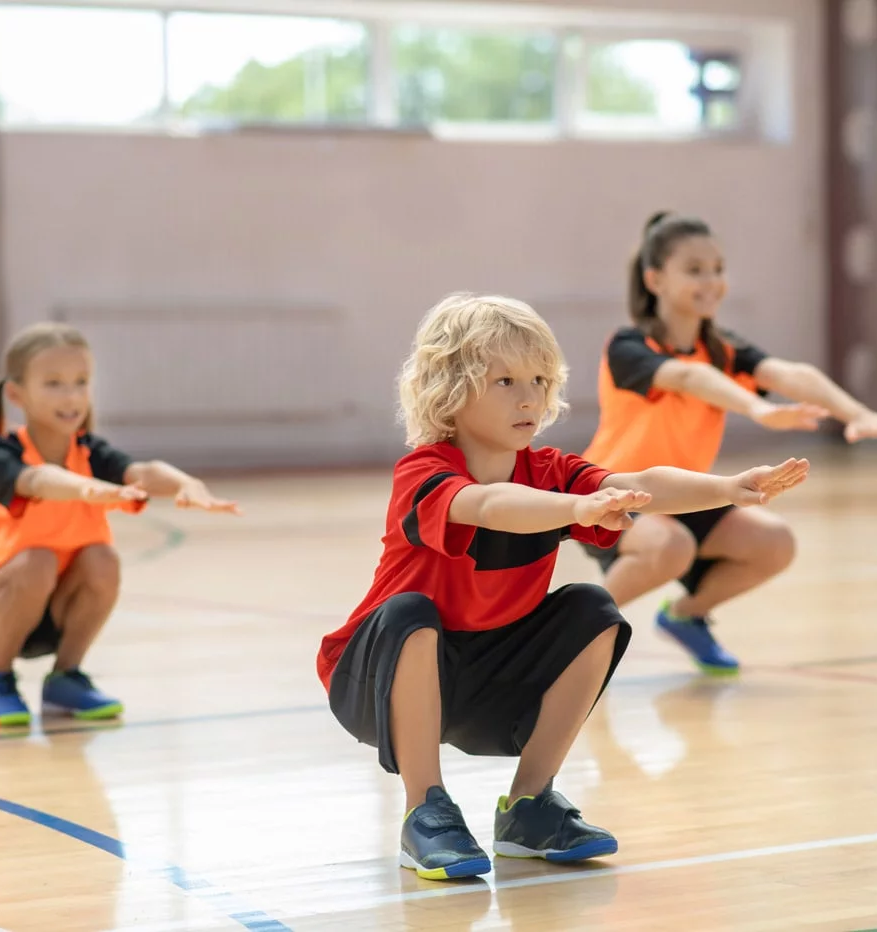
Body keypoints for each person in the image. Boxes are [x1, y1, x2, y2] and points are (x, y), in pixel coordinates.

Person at [316, 293, 810, 880]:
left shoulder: (551, 470)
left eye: (540, 379)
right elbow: (494, 504)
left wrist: (728, 488)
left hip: (482, 684)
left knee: (592, 607)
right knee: (409, 613)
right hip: (375, 678)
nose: (530, 397)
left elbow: (644, 481)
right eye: (504, 380)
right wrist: (578, 505)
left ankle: (529, 808)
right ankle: (426, 812)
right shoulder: (424, 473)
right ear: (450, 389)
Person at [581, 211, 877, 674]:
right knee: (670, 548)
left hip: (685, 496)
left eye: (717, 269)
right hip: (613, 494)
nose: (712, 281)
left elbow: (790, 374)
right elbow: (689, 377)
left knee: (775, 543)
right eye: (695, 269)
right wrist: (757, 409)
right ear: (654, 279)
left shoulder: (724, 349)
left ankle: (686, 617)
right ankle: (571, 638)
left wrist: (857, 414)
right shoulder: (628, 345)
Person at [0, 322, 240, 727]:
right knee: (37, 560)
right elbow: (37, 479)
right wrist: (88, 489)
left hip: (55, 609)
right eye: (54, 383)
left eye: (81, 382)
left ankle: (65, 678)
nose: (72, 396)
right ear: (15, 393)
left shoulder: (89, 451)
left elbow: (142, 471)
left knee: (102, 559)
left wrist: (187, 483)